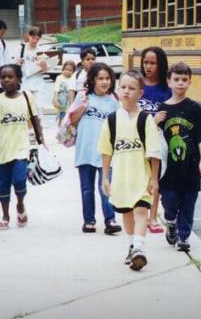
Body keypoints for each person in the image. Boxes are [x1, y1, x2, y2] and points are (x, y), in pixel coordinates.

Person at [99, 70, 161, 271]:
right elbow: (106, 151)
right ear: (118, 91)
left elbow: (154, 152)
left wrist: (154, 179)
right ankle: (132, 246)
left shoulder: (146, 120)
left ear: (140, 93)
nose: (127, 91)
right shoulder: (111, 120)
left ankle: (139, 248)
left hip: (141, 177)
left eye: (132, 88)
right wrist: (105, 177)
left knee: (141, 211)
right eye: (123, 87)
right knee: (126, 213)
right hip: (121, 178)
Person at [157, 62, 201, 252]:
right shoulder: (162, 109)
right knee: (170, 201)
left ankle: (184, 237)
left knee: (188, 203)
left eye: (184, 80)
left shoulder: (194, 108)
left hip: (191, 165)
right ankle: (170, 221)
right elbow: (154, 139)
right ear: (169, 82)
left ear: (189, 82)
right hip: (169, 169)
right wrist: (154, 122)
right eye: (176, 80)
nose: (180, 83)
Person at [0, 64, 44, 230]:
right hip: (1, 150)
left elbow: (35, 119)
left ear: (19, 79)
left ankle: (20, 204)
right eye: (3, 77)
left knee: (20, 180)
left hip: (21, 149)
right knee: (2, 185)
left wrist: (41, 138)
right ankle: (6, 215)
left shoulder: (27, 97)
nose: (6, 80)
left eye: (10, 76)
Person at [71, 63, 121, 234]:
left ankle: (110, 219)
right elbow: (72, 121)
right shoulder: (83, 97)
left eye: (107, 78)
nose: (104, 82)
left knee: (105, 186)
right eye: (100, 78)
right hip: (85, 149)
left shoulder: (114, 101)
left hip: (105, 152)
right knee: (87, 188)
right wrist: (83, 107)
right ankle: (89, 221)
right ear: (92, 80)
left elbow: (118, 127)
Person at [138, 46, 171, 234]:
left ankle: (153, 216)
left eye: (153, 63)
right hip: (138, 138)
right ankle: (141, 212)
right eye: (145, 62)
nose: (148, 66)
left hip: (158, 140)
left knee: (155, 178)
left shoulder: (166, 89)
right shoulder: (138, 84)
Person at [19, 26, 49, 116]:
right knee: (25, 107)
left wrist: (43, 66)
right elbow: (13, 64)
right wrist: (18, 62)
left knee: (38, 106)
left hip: (37, 82)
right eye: (33, 38)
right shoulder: (21, 48)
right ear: (28, 36)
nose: (35, 41)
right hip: (24, 81)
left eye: (37, 39)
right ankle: (26, 128)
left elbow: (45, 70)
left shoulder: (41, 50)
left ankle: (38, 128)